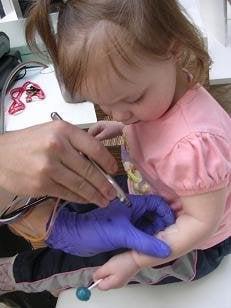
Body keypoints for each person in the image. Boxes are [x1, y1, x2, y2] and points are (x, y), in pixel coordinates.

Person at [22, 0, 231, 292]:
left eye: (132, 100)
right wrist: (122, 127)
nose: (118, 114)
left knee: (79, 264)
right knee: (76, 204)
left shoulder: (196, 144)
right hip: (151, 191)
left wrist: (135, 260)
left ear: (172, 49)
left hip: (192, 247)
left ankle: (12, 276)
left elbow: (200, 224)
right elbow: (156, 128)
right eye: (105, 104)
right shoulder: (160, 94)